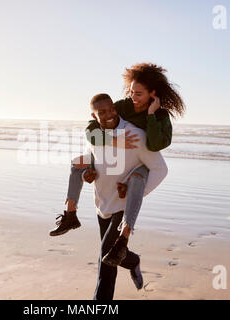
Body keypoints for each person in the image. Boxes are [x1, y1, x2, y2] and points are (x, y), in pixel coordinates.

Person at [50, 63, 185, 267]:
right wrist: (108, 147)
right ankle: (70, 213)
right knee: (77, 163)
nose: (133, 97)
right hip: (118, 165)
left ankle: (125, 239)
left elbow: (156, 144)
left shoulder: (160, 116)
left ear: (153, 94)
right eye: (131, 91)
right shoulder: (122, 106)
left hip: (142, 162)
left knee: (137, 179)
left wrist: (150, 114)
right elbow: (92, 129)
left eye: (138, 93)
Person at [52, 93, 168, 300]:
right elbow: (92, 158)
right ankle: (132, 261)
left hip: (122, 208)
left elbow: (160, 169)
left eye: (111, 109)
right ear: (94, 116)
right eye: (102, 112)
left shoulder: (135, 135)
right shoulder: (96, 135)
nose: (108, 115)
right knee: (112, 255)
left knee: (105, 262)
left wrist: (138, 194)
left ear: (116, 108)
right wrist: (89, 171)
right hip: (102, 205)